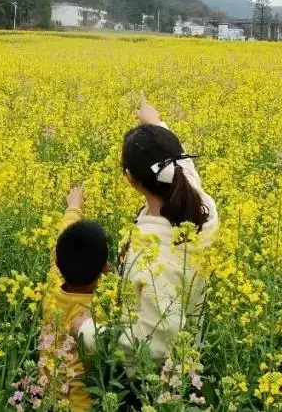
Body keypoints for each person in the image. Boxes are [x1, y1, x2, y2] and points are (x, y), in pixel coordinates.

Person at [81, 97, 219, 366]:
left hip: (159, 377)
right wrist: (156, 124)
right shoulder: (202, 206)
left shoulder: (151, 257)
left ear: (130, 178)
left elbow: (154, 343)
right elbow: (180, 165)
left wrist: (87, 332)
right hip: (190, 339)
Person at [38, 184, 109, 412]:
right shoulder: (98, 311)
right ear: (105, 268)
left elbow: (62, 240)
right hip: (81, 404)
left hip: (46, 395)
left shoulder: (51, 289)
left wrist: (74, 208)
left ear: (57, 264)